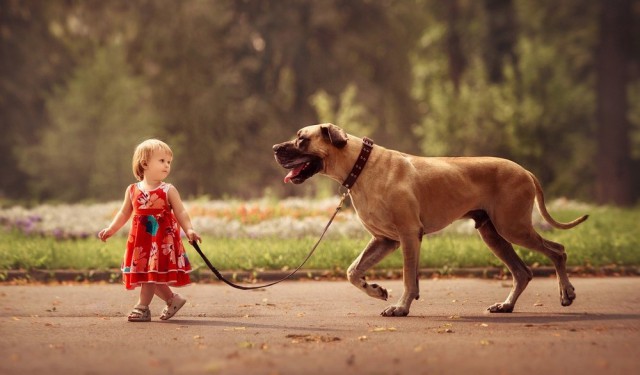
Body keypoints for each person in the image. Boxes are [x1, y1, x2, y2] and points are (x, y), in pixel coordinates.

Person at [98, 139, 201, 322]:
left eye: (169, 162)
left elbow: (181, 212)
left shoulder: (168, 190)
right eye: (162, 161)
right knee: (150, 274)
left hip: (161, 242)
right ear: (145, 163)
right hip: (141, 241)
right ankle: (172, 300)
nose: (167, 165)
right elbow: (123, 213)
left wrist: (190, 230)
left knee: (150, 275)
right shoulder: (132, 190)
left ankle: (142, 307)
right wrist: (111, 229)